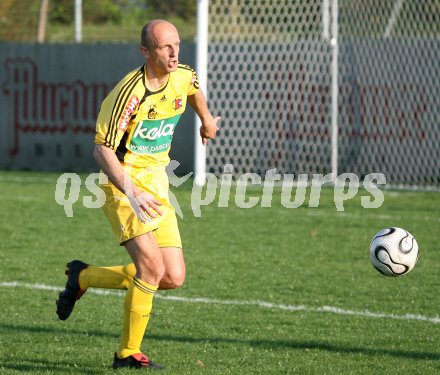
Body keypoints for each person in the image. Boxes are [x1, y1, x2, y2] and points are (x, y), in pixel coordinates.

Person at [56, 19, 220, 369]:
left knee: (172, 277)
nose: (174, 52)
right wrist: (129, 191)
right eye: (165, 47)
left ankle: (83, 276)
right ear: (145, 52)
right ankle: (127, 354)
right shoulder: (129, 93)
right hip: (122, 185)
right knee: (150, 267)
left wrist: (205, 118)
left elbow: (192, 87)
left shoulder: (181, 73)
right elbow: (101, 149)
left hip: (157, 184)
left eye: (176, 44)